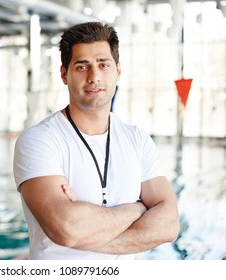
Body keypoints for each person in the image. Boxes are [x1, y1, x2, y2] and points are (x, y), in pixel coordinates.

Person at [13, 22, 179, 260]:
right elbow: (67, 229)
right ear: (64, 74)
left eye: (104, 65)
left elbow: (169, 225)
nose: (94, 77)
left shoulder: (137, 140)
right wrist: (138, 208)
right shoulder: (39, 140)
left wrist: (86, 232)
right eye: (82, 66)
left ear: (118, 71)